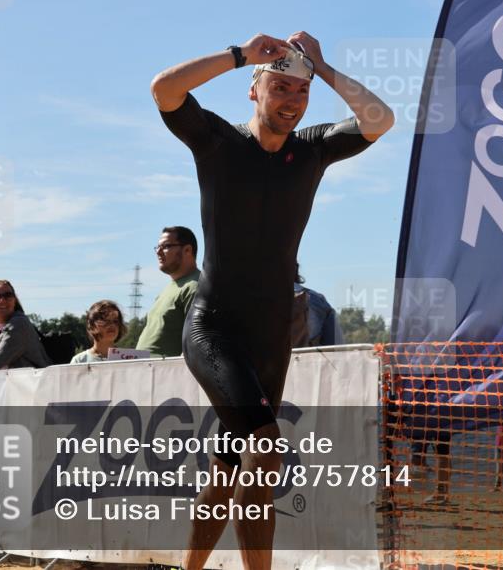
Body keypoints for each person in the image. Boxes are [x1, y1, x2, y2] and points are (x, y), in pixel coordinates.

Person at [151, 31, 393, 569]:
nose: (291, 100)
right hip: (213, 328)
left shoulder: (312, 148)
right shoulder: (219, 143)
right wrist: (238, 55)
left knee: (232, 464)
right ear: (254, 91)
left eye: (300, 92)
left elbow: (380, 121)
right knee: (264, 446)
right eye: (279, 87)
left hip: (270, 334)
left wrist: (324, 69)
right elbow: (165, 90)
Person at [136, 226, 200, 357]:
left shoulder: (195, 287)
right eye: (157, 247)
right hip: (145, 372)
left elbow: (197, 341)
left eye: (165, 246)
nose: (158, 252)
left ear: (187, 250)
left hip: (165, 374)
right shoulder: (169, 289)